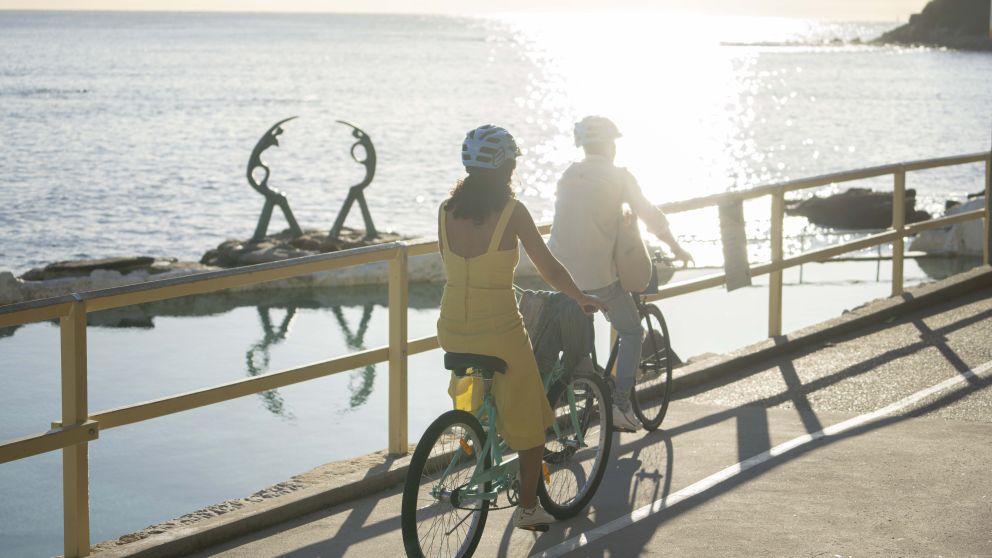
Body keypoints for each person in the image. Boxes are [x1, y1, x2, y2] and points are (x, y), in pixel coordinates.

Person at [437, 124, 607, 530]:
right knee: (533, 429)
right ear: (507, 168)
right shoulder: (513, 212)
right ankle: (529, 509)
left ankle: (481, 438)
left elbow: (455, 263)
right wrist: (580, 296)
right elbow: (547, 267)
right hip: (498, 331)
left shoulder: (445, 210)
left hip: (452, 327)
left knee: (491, 396)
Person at [547, 115, 693, 432]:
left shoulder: (568, 174)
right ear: (611, 145)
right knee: (631, 332)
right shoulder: (619, 176)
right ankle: (621, 404)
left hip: (556, 273)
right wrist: (677, 248)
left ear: (582, 146)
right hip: (598, 278)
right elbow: (651, 216)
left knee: (574, 342)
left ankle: (573, 393)